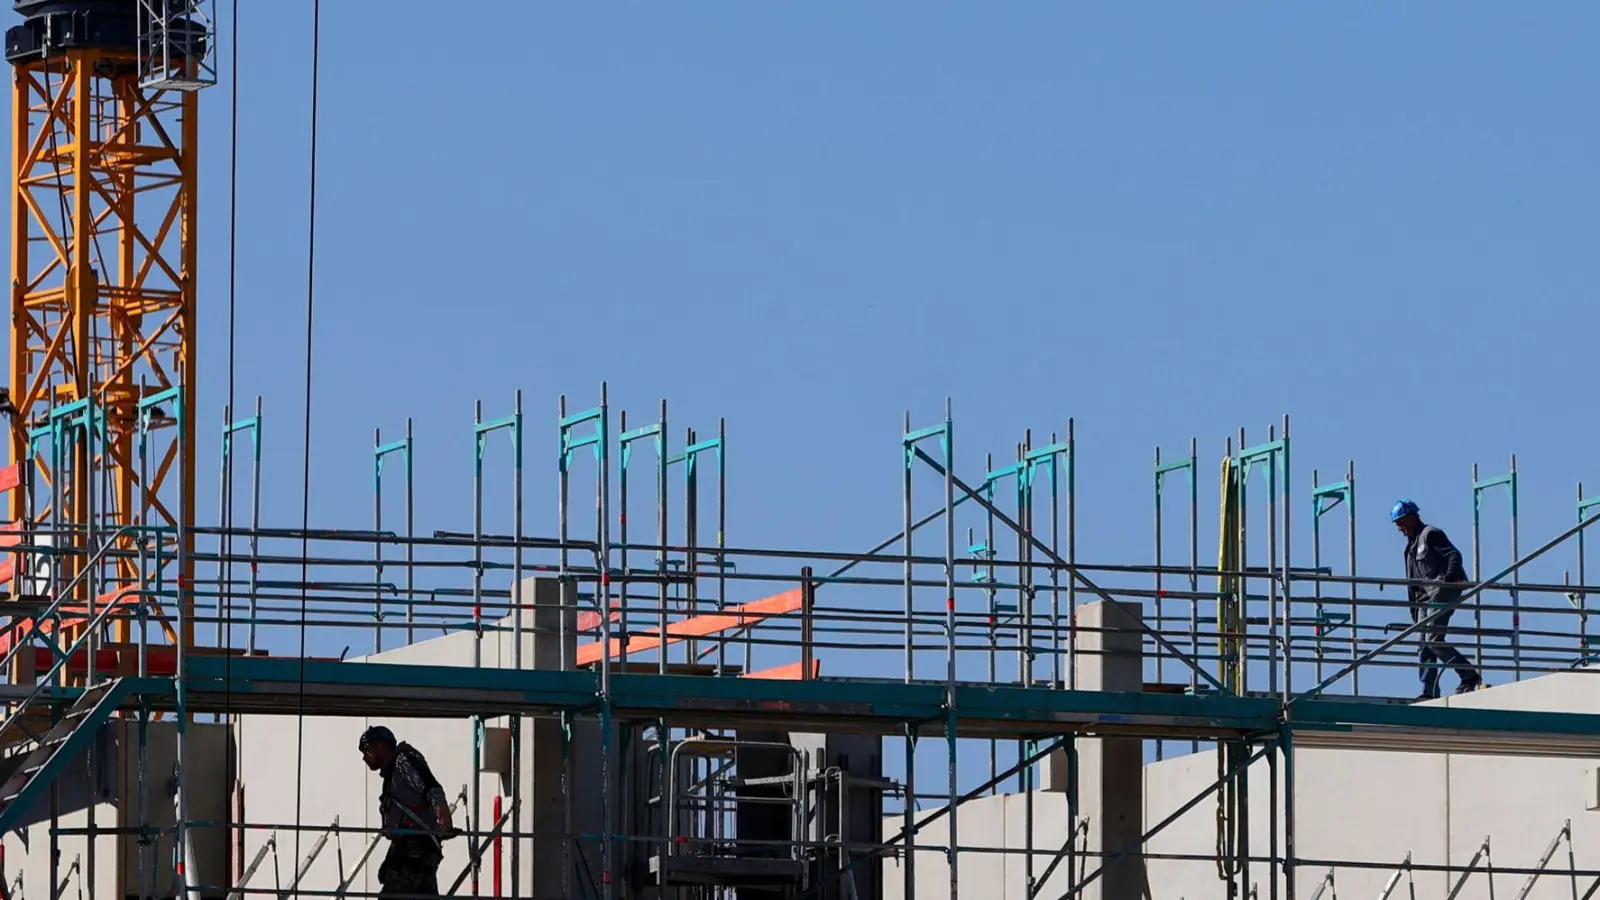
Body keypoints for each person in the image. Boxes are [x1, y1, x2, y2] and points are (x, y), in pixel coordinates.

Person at [1391, 499, 1482, 700]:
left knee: (1433, 639)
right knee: (1423, 644)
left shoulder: (1430, 535)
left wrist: (1448, 580)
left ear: (1413, 518)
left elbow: (1454, 556)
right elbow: (1414, 581)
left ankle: (1468, 675)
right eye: (1398, 524)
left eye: (1402, 522)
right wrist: (1414, 609)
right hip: (1424, 599)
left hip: (1441, 592)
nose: (1400, 528)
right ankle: (1428, 691)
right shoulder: (1411, 547)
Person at [360, 725, 456, 898]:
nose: (364, 757)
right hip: (413, 850)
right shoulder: (393, 773)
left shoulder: (403, 761)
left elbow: (432, 788)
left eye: (367, 749)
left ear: (381, 746)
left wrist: (445, 823)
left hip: (414, 851)